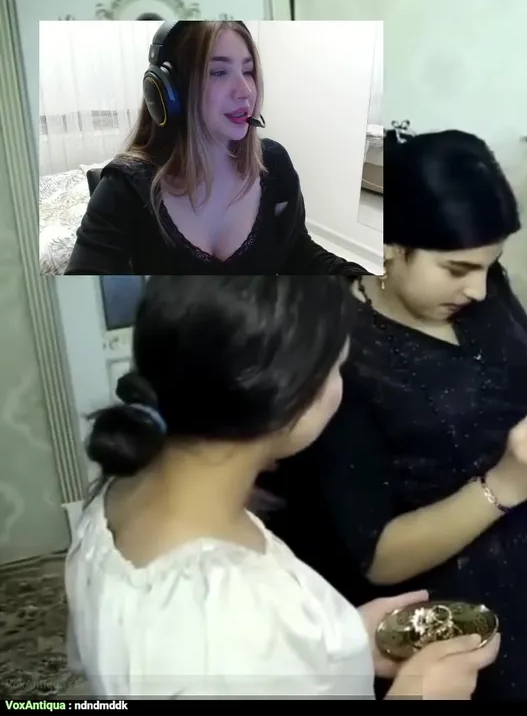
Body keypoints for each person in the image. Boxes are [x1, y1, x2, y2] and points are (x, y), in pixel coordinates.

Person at [259, 128, 527, 701]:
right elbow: (377, 558)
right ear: (389, 246)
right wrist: (506, 484)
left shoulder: (481, 284)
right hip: (452, 603)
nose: (477, 289)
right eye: (457, 270)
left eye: (489, 266)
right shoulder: (335, 350)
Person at [64, 276, 498, 699]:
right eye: (337, 369)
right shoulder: (224, 613)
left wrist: (338, 649)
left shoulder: (124, 492)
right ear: (291, 398)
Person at [64, 20, 366, 276]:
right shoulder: (123, 190)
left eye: (248, 71)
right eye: (218, 72)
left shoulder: (274, 164)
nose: (245, 91)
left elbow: (297, 251)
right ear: (169, 91)